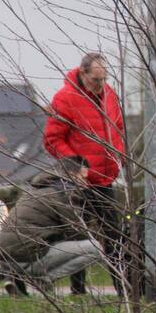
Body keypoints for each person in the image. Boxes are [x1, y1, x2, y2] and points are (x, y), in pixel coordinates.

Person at [43, 52, 126, 294]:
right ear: (83, 73)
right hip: (78, 182)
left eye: (103, 80)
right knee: (77, 236)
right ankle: (77, 290)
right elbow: (52, 140)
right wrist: (75, 165)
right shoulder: (65, 98)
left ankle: (123, 289)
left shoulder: (110, 95)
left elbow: (119, 128)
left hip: (105, 179)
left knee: (114, 235)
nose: (100, 86)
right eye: (95, 81)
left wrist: (121, 153)